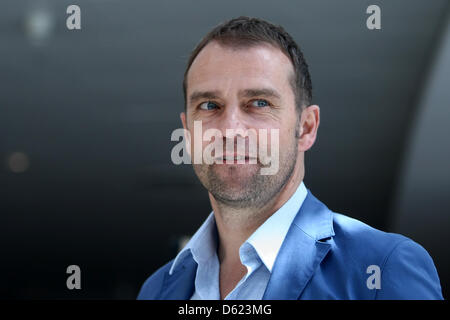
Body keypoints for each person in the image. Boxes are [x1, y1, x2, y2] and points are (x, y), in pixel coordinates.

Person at [137, 16, 443, 300]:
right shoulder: (158, 289)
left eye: (258, 103)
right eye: (209, 105)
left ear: (306, 128)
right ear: (188, 132)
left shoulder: (383, 268)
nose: (230, 129)